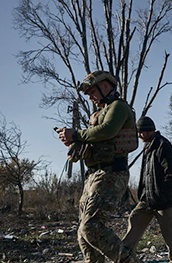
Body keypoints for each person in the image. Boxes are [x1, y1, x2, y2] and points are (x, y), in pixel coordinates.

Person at [57, 70, 137, 263]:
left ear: (106, 86)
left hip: (111, 174)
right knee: (82, 233)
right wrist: (74, 142)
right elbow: (95, 137)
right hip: (94, 175)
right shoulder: (99, 112)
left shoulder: (118, 107)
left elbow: (107, 130)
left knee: (91, 227)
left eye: (92, 91)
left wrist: (76, 135)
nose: (90, 96)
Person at [122, 116, 172, 263]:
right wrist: (143, 195)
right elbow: (147, 175)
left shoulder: (162, 145)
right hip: (147, 199)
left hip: (162, 200)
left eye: (140, 132)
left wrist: (166, 196)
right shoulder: (148, 147)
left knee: (171, 235)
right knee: (134, 222)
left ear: (148, 130)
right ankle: (123, 256)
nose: (138, 135)